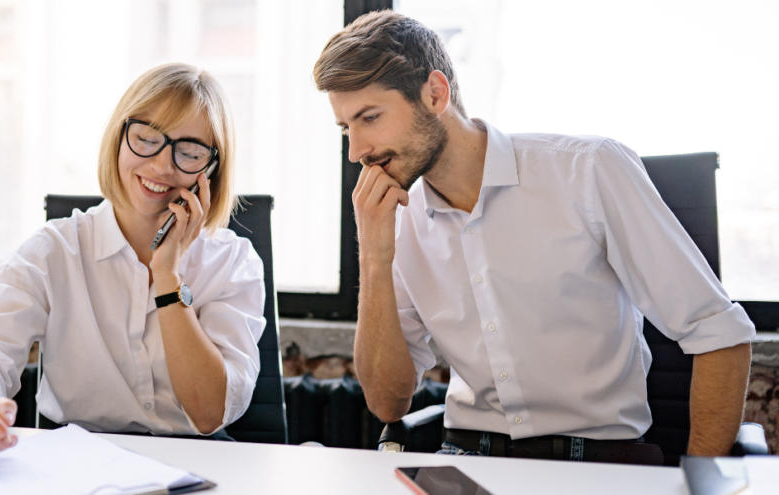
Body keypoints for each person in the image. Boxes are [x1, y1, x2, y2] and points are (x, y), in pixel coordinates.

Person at [314, 11, 753, 463]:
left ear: (435, 94)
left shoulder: (587, 171)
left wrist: (696, 485)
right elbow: (389, 403)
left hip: (598, 465)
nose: (356, 151)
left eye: (370, 117)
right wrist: (373, 256)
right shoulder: (397, 219)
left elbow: (720, 333)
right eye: (347, 128)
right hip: (467, 462)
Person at [0, 63, 266, 456]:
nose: (161, 166)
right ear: (119, 137)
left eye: (188, 152)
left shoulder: (234, 261)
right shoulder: (54, 251)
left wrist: (167, 275)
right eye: (147, 138)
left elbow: (208, 414)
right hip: (76, 464)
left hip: (197, 464)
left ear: (211, 171)